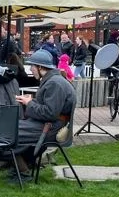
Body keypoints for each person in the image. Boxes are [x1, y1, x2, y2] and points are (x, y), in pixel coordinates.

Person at [12, 49, 76, 181]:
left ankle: (23, 172)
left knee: (7, 132)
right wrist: (31, 101)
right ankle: (23, 166)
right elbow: (50, 108)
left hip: (52, 127)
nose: (31, 69)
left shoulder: (54, 83)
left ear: (40, 67)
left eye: (32, 66)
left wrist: (29, 103)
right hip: (51, 124)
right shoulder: (53, 80)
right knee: (9, 128)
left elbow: (50, 113)